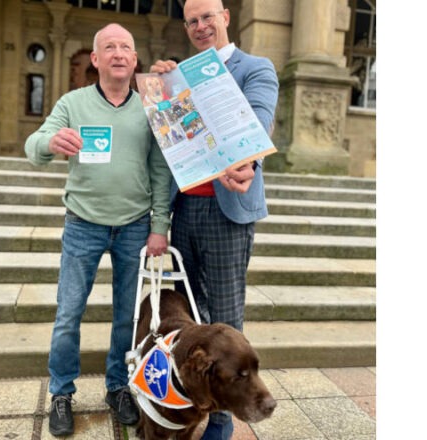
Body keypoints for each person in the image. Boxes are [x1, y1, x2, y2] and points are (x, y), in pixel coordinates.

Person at [25, 23, 172, 437]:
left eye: (126, 46)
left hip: (134, 227)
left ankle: (118, 386)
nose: (119, 53)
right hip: (83, 225)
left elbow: (160, 170)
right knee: (68, 314)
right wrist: (50, 144)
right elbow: (33, 146)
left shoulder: (150, 106)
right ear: (96, 59)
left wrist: (159, 225)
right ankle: (61, 393)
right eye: (110, 47)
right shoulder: (72, 103)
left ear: (135, 58)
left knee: (126, 315)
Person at [149, 1, 279, 438]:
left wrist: (250, 161)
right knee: (187, 317)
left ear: (225, 16)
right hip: (185, 208)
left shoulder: (255, 68)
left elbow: (258, 122)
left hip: (228, 211)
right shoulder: (177, 75)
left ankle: (221, 424)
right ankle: (183, 406)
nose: (201, 26)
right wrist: (162, 88)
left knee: (225, 318)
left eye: (208, 16)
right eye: (192, 21)